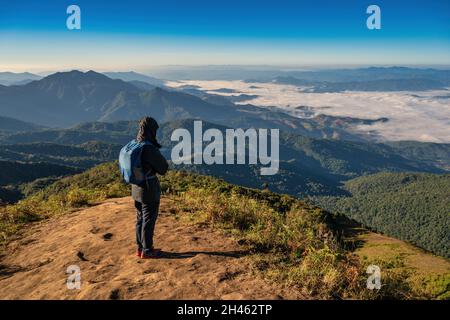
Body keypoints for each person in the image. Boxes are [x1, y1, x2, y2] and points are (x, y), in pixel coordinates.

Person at [132, 116, 168, 259]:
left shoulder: (136, 144)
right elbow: (163, 168)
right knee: (148, 219)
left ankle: (140, 248)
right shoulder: (148, 148)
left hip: (136, 188)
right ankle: (148, 250)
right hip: (149, 189)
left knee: (140, 219)